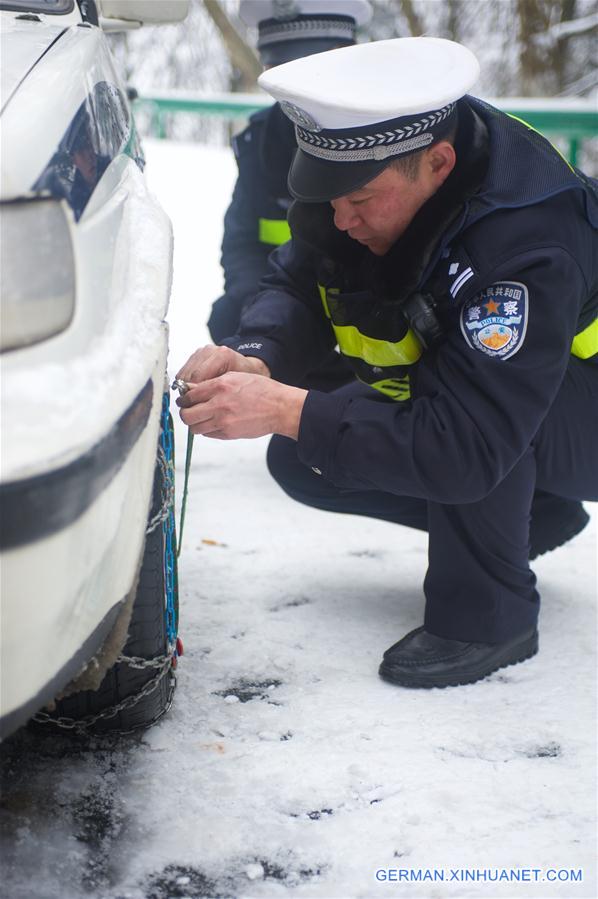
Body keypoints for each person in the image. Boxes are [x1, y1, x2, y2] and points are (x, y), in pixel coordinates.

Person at [176, 38, 598, 688]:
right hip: (536, 396)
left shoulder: (522, 245)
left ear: (438, 163)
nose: (341, 219)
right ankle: (531, 515)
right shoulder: (369, 172)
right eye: (331, 200)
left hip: (579, 404)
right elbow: (295, 280)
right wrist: (258, 358)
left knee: (451, 408)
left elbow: (467, 437)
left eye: (360, 202)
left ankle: (489, 618)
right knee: (307, 454)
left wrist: (290, 407)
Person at [208, 0, 371, 395]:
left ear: (342, 60)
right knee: (231, 315)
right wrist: (255, 303)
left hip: (368, 310)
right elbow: (242, 238)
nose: (292, 91)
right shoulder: (262, 140)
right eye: (278, 73)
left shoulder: (384, 130)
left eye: (305, 70)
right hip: (293, 299)